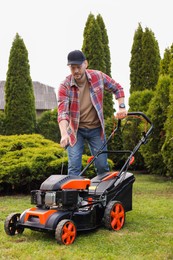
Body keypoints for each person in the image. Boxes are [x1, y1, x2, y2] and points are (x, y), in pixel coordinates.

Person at [57, 50, 127, 176]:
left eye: (78, 67)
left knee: (102, 166)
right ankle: (74, 195)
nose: (76, 71)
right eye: (73, 68)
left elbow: (118, 88)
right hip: (75, 131)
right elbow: (62, 113)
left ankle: (103, 195)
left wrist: (121, 107)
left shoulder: (98, 76)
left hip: (96, 130)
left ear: (86, 64)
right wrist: (63, 134)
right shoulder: (65, 86)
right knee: (74, 167)